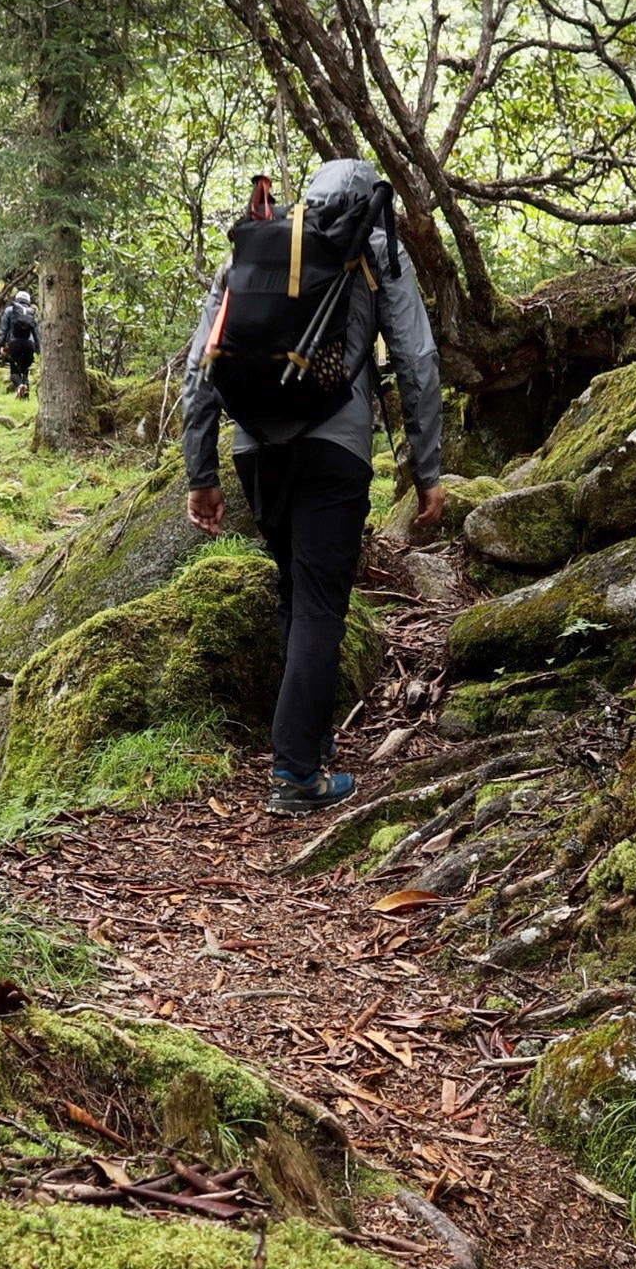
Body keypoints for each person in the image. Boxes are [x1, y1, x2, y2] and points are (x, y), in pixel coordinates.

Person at [181, 157, 445, 816]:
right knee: (321, 599)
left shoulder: (267, 245)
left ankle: (309, 742)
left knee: (298, 590)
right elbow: (417, 358)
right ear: (367, 201)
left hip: (255, 449)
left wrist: (201, 472)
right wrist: (427, 469)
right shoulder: (373, 250)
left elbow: (200, 362)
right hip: (335, 447)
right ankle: (296, 772)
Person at [0, 288, 39, 395]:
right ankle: (25, 392)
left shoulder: (9, 310)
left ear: (17, 299)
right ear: (28, 301)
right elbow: (36, 332)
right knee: (25, 371)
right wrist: (38, 349)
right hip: (29, 345)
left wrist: (1, 344)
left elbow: (3, 329)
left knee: (14, 370)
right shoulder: (31, 313)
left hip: (14, 343)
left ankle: (20, 386)